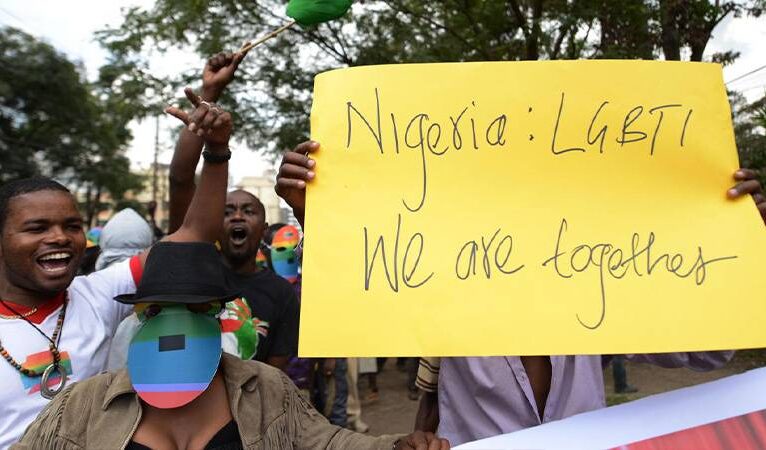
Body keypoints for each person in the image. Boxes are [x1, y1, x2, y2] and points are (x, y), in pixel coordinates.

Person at [274, 140, 766, 446]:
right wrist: (313, 214)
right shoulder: (444, 291)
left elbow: (707, 350)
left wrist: (742, 243)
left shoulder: (599, 292)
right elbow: (357, 303)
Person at [12, 241, 450, 450]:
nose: (175, 325)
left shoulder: (264, 388)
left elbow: (327, 443)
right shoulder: (86, 403)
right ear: (138, 316)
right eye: (158, 310)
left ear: (219, 313)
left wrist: (397, 446)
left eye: (196, 308)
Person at [0, 87, 233, 449]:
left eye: (72, 226)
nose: (60, 237)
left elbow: (193, 233)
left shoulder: (97, 295)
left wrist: (217, 152)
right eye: (38, 228)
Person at [169, 50, 299, 372]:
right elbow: (181, 179)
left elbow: (275, 375)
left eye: (248, 211)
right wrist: (209, 94)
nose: (237, 216)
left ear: (264, 226)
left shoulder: (282, 294)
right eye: (227, 211)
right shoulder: (194, 268)